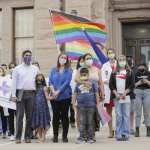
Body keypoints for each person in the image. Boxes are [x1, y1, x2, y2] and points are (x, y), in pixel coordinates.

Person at [12, 50, 40, 144]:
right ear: (23, 57)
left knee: (29, 117)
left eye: (29, 55)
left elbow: (39, 81)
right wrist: (13, 95)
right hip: (20, 93)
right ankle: (18, 137)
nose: (28, 57)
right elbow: (14, 83)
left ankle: (27, 136)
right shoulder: (17, 68)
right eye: (26, 55)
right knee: (19, 116)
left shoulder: (35, 68)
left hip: (31, 93)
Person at [109, 55, 134, 141]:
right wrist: (116, 93)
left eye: (123, 60)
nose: (122, 61)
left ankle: (126, 133)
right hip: (117, 97)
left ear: (125, 61)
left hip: (126, 96)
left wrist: (125, 93)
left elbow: (132, 85)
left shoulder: (129, 71)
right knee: (119, 115)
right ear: (117, 61)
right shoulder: (114, 72)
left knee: (126, 115)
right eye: (120, 60)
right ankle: (119, 133)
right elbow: (111, 84)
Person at [49, 53, 72, 143]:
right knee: (55, 116)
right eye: (61, 57)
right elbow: (50, 81)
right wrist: (53, 91)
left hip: (65, 96)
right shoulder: (53, 70)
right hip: (54, 97)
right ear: (58, 58)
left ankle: (64, 136)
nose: (63, 59)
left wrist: (58, 91)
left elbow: (66, 83)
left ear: (67, 60)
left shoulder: (69, 70)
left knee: (65, 116)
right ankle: (55, 136)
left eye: (64, 58)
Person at [73, 67, 99, 144]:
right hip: (81, 106)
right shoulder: (78, 84)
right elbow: (75, 94)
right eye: (82, 74)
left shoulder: (93, 83)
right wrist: (73, 103)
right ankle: (82, 137)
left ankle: (91, 137)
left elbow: (96, 93)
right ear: (80, 75)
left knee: (90, 121)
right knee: (82, 122)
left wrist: (97, 104)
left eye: (85, 74)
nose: (84, 76)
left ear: (88, 75)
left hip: (91, 105)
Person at [32, 74, 52, 142]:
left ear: (43, 80)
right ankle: (40, 137)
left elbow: (47, 97)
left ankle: (43, 137)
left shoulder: (44, 87)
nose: (39, 81)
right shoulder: (34, 88)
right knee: (38, 124)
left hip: (43, 107)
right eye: (38, 80)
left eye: (40, 79)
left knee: (43, 123)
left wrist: (54, 97)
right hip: (36, 107)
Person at [134, 63, 150, 137]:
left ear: (145, 67)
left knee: (146, 112)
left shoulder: (148, 73)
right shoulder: (135, 73)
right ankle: (137, 129)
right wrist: (139, 82)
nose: (141, 67)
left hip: (147, 91)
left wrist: (146, 81)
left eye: (142, 66)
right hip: (138, 92)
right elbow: (132, 85)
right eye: (139, 66)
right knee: (138, 112)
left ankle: (148, 129)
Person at [70, 56, 84, 129]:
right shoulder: (75, 71)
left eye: (83, 61)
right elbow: (73, 84)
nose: (82, 62)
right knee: (78, 113)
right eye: (81, 61)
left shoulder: (89, 70)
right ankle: (80, 130)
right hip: (78, 94)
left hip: (87, 95)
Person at [8, 62, 16, 141]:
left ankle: (18, 133)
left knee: (19, 117)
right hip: (9, 101)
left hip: (18, 100)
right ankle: (12, 133)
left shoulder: (19, 78)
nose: (12, 69)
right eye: (10, 67)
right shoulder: (6, 78)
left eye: (13, 67)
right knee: (11, 118)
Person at [0, 67, 8, 139]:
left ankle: (4, 131)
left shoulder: (5, 80)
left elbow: (5, 90)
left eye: (1, 71)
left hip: (3, 101)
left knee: (4, 117)